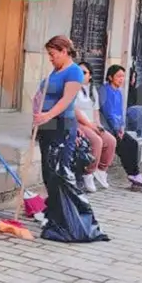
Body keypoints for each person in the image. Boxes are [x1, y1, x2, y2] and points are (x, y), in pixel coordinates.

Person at [32, 36, 84, 191]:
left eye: (52, 54)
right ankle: (52, 202)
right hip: (46, 124)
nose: (50, 58)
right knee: (48, 168)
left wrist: (47, 115)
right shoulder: (55, 71)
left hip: (61, 124)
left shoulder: (74, 72)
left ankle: (61, 204)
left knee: (59, 169)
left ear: (64, 51)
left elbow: (66, 100)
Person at [99, 65, 142, 189]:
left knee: (133, 144)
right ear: (110, 77)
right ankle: (133, 175)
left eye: (123, 76)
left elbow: (120, 112)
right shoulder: (104, 90)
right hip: (107, 128)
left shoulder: (119, 92)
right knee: (124, 146)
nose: (121, 79)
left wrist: (122, 127)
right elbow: (108, 112)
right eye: (118, 76)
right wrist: (117, 128)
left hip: (117, 128)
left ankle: (135, 175)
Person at [73, 61, 115, 192]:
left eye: (84, 72)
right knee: (97, 141)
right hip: (78, 123)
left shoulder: (92, 90)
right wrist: (90, 125)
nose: (80, 74)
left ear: (90, 75)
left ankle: (101, 170)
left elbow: (95, 111)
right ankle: (88, 173)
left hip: (91, 123)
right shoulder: (72, 88)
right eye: (78, 72)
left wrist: (98, 125)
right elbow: (75, 110)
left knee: (111, 140)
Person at [125, 66, 142, 141]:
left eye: (135, 77)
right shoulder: (125, 89)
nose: (134, 79)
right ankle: (138, 133)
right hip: (126, 109)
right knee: (140, 110)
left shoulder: (134, 90)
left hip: (132, 108)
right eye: (132, 77)